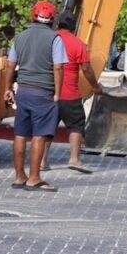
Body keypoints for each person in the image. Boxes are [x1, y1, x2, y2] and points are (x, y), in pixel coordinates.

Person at [4, 1, 67, 192]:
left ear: (33, 16)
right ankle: (34, 178)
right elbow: (58, 67)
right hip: (43, 93)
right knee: (39, 135)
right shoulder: (55, 39)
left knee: (21, 134)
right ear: (52, 19)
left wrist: (8, 88)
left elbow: (10, 64)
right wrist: (57, 93)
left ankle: (19, 176)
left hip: (23, 91)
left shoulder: (20, 37)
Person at [39, 11, 103, 174]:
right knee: (76, 125)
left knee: (47, 127)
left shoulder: (47, 40)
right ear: (74, 26)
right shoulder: (77, 43)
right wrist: (95, 86)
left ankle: (42, 160)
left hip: (48, 93)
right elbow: (87, 69)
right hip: (70, 94)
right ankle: (74, 159)